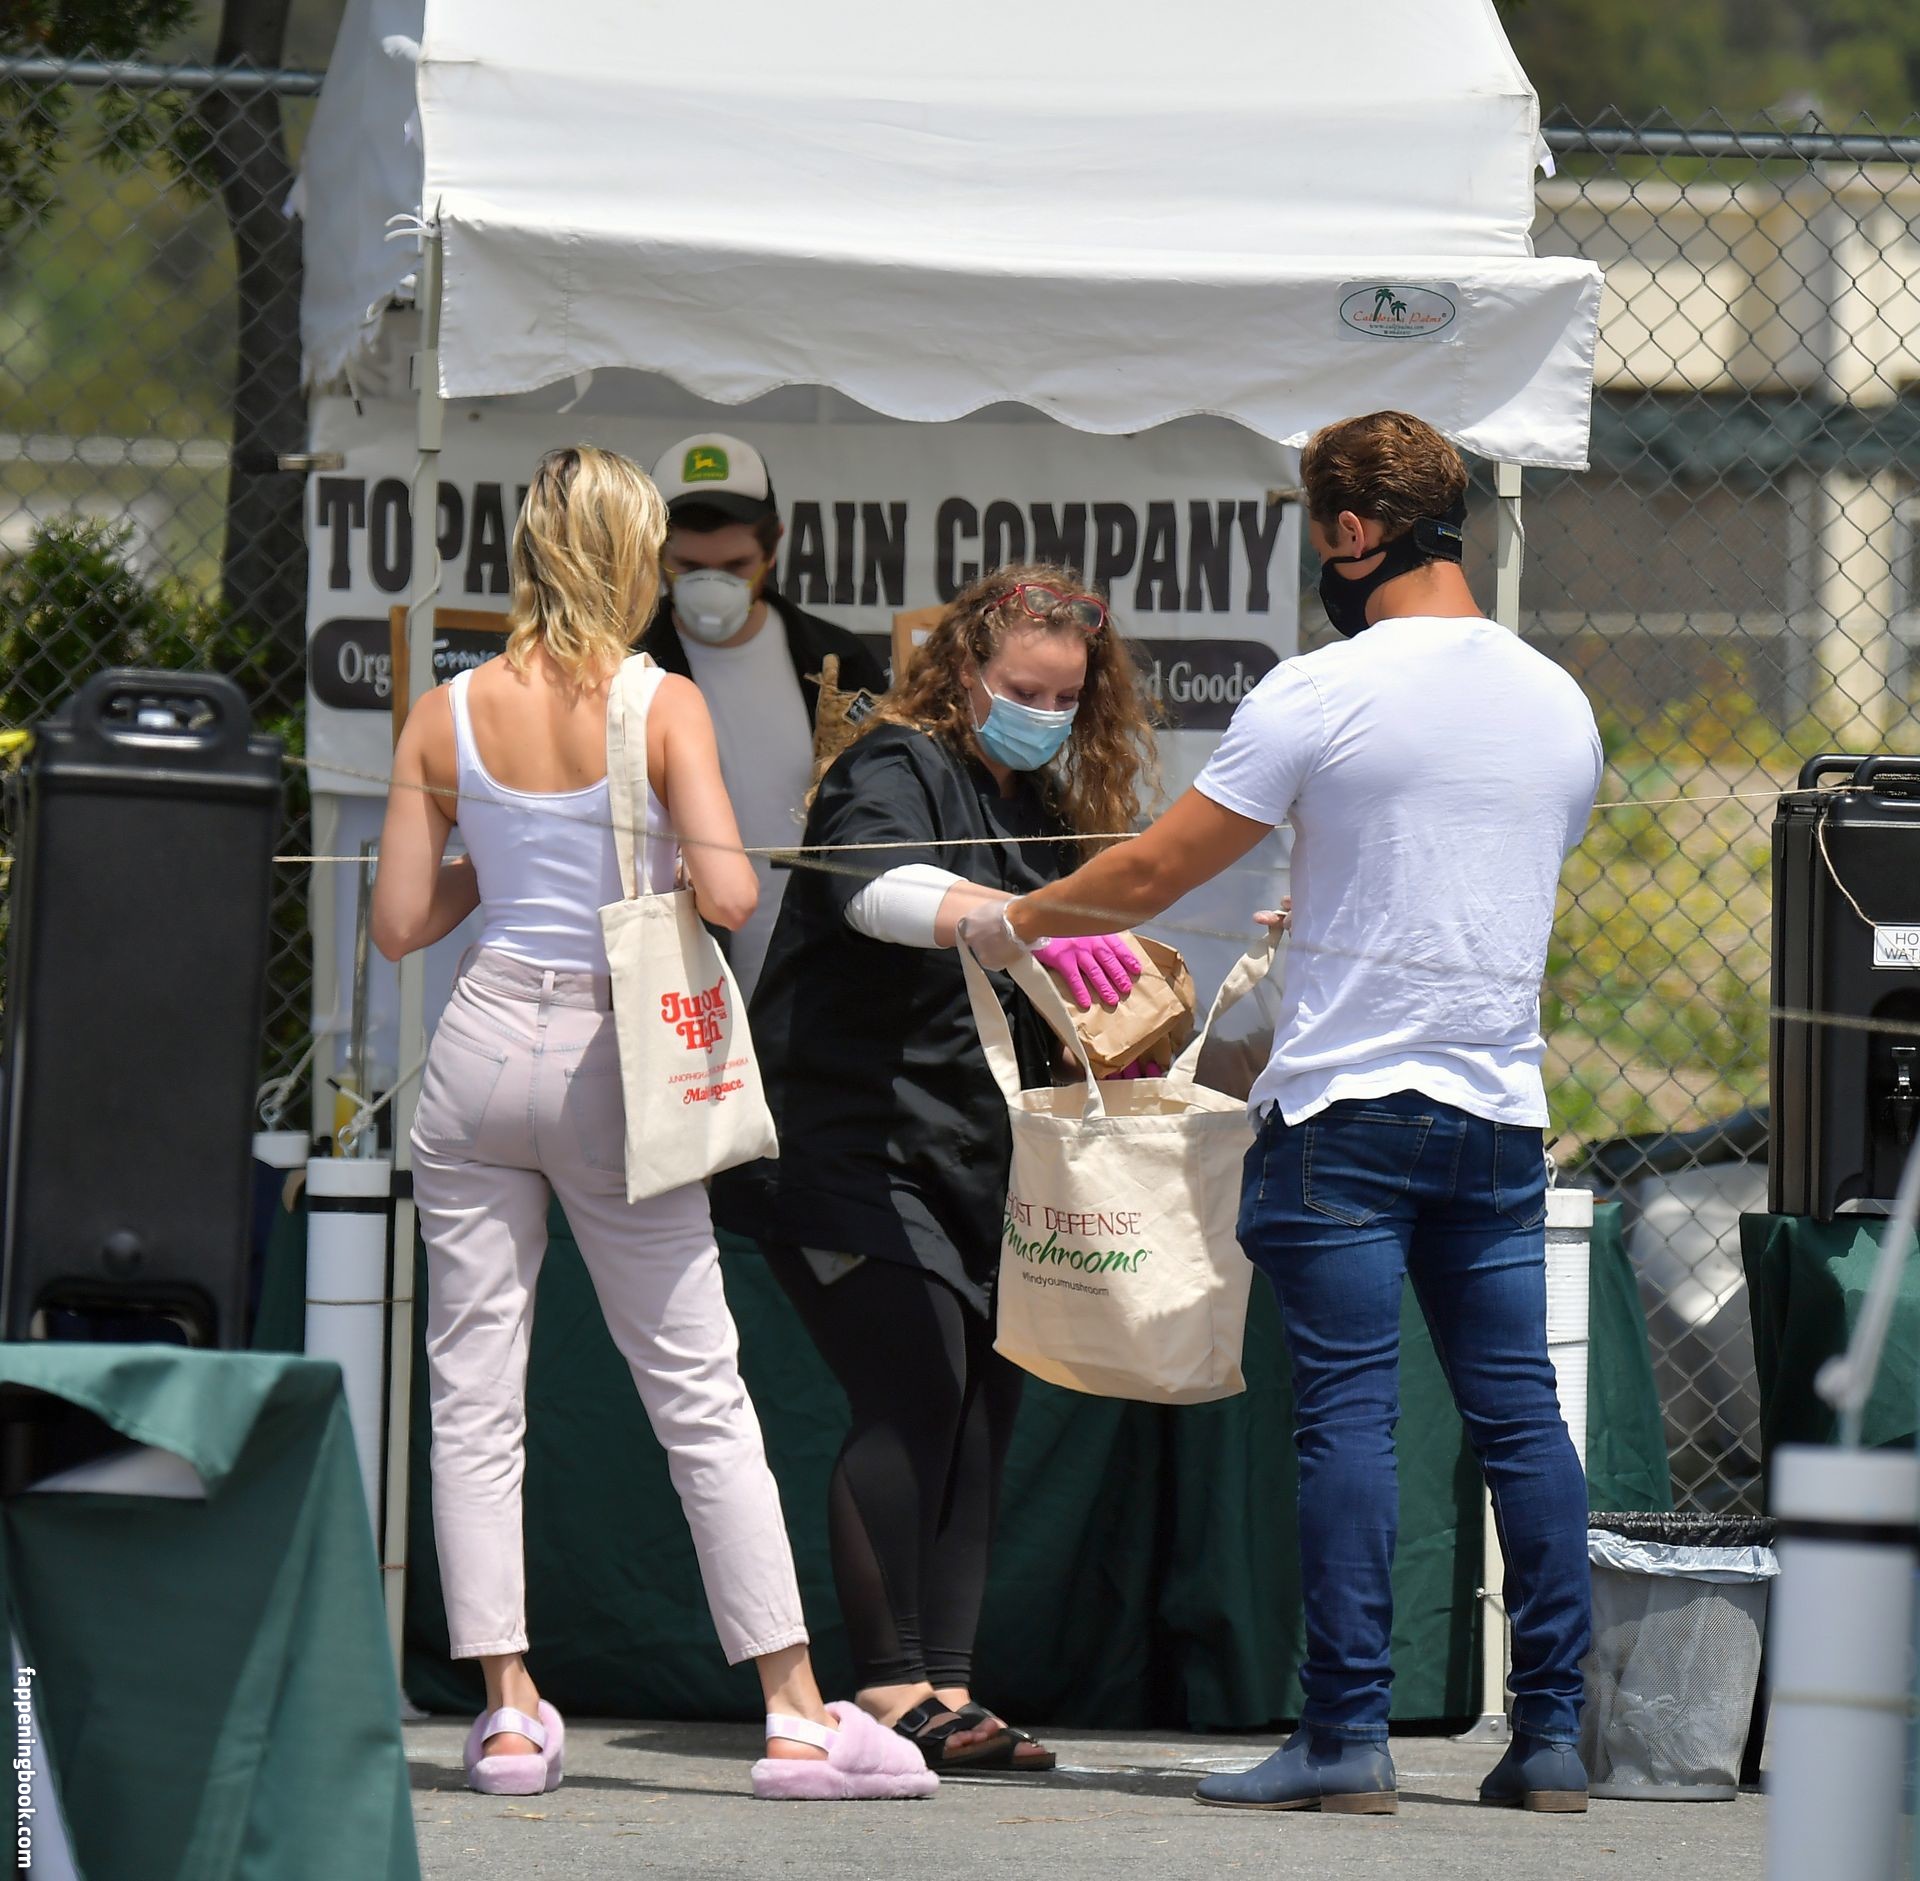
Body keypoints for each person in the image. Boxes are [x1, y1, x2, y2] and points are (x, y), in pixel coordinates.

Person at [957, 412, 1603, 1816]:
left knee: (1349, 1422)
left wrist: (1015, 918)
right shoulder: (1559, 700)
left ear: (1354, 533)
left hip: (1349, 1115)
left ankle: (1345, 1734)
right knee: (1520, 1417)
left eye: (1320, 531)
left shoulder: (1319, 690)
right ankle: (1552, 1735)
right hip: (1498, 1109)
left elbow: (1149, 876)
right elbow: (1471, 875)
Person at [370, 445, 932, 1804]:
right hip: (614, 1058)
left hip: (479, 1046)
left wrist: (499, 859)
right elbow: (731, 897)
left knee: (473, 1390)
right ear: (634, 561)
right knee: (697, 1388)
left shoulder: (446, 712)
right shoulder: (661, 699)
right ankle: (793, 1710)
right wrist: (670, 850)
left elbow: (397, 923)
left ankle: (507, 1711)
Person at [712, 564, 1156, 1772]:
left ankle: (949, 1687)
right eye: (1024, 689)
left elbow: (1051, 969)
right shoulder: (893, 765)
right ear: (965, 670)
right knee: (915, 1385)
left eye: (1065, 697)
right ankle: (888, 1684)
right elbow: (875, 889)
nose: (1044, 713)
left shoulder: (1040, 803)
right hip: (849, 1142)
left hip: (975, 1156)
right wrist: (997, 920)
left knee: (980, 1408)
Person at [645, 431, 886, 1000]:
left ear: (774, 546)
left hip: (816, 985)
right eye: (687, 566)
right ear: (653, 552)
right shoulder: (627, 664)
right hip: (675, 981)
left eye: (736, 566)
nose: (712, 587)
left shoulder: (838, 662)